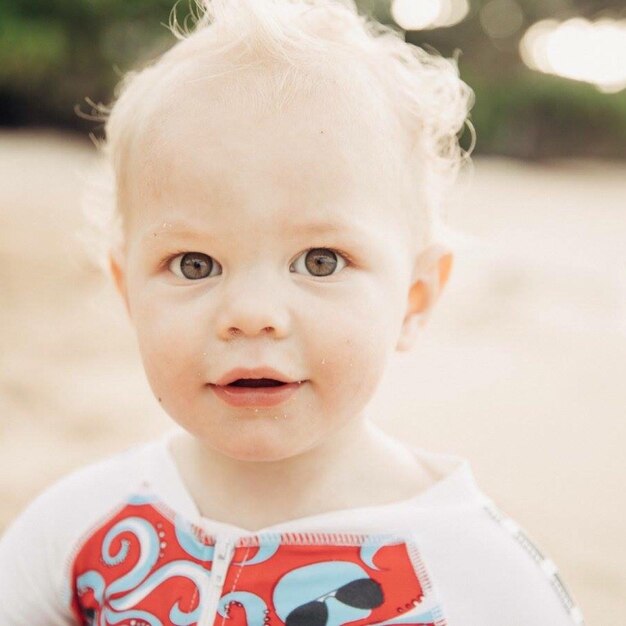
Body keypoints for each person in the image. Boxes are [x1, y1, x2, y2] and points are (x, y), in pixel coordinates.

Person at [0, 0, 585, 624]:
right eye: (195, 264)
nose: (251, 315)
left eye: (320, 261)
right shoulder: (81, 530)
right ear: (127, 293)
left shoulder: (478, 577)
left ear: (415, 297)